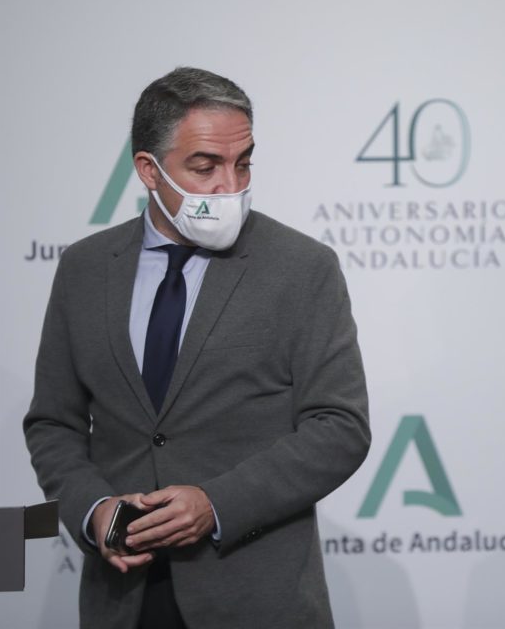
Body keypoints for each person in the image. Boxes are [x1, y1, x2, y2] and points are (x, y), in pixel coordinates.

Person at [24, 67, 370, 629]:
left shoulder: (302, 267)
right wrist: (93, 512)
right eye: (205, 167)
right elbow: (53, 424)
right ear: (149, 170)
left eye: (243, 163)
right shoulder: (83, 269)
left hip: (255, 597)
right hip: (123, 599)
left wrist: (216, 504)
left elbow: (339, 426)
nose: (229, 186)